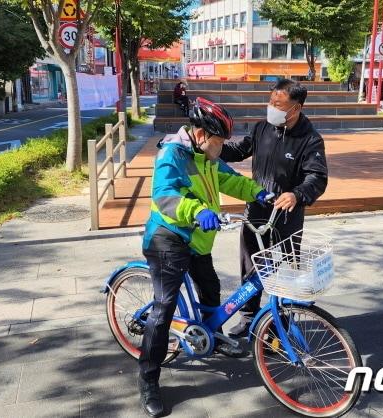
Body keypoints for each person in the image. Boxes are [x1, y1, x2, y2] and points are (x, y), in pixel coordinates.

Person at [138, 97, 270, 417]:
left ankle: (214, 336)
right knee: (164, 307)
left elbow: (228, 178)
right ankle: (149, 381)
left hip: (197, 240)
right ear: (200, 135)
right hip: (167, 238)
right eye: (219, 141)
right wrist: (197, 211)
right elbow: (165, 196)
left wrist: (259, 193)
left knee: (210, 288)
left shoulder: (208, 155)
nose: (222, 146)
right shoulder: (172, 154)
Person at [220, 78, 329, 337]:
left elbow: (317, 177)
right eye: (271, 102)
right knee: (251, 266)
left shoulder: (310, 140)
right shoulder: (262, 128)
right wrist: (212, 148)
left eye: (279, 105)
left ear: (297, 108)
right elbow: (239, 149)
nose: (273, 108)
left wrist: (297, 194)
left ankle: (281, 322)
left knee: (284, 271)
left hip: (287, 216)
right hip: (258, 210)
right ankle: (248, 317)